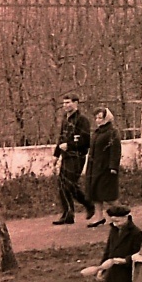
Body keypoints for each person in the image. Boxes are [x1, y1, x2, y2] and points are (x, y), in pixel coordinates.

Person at [52, 94, 94, 225]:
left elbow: (85, 140)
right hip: (66, 156)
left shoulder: (82, 120)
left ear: (76, 103)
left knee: (70, 184)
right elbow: (61, 138)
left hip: (77, 156)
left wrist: (69, 145)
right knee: (62, 185)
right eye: (64, 103)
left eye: (68, 103)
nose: (65, 106)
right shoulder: (65, 119)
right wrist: (56, 154)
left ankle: (88, 204)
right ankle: (68, 214)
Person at [86, 108, 122, 227]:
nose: (97, 120)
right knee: (95, 193)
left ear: (106, 118)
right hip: (95, 167)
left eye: (100, 117)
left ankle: (121, 215)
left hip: (106, 168)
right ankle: (99, 217)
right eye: (96, 118)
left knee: (108, 195)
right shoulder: (98, 132)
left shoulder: (112, 132)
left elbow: (115, 150)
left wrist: (113, 166)